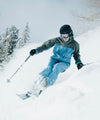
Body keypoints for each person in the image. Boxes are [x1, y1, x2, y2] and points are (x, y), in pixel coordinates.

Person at [27, 24, 84, 97]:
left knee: (56, 67)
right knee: (48, 69)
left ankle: (45, 88)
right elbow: (45, 46)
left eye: (65, 35)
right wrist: (36, 50)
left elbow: (76, 55)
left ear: (70, 34)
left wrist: (79, 63)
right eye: (62, 35)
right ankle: (34, 88)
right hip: (54, 59)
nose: (64, 38)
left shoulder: (74, 44)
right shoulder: (57, 40)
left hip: (64, 63)